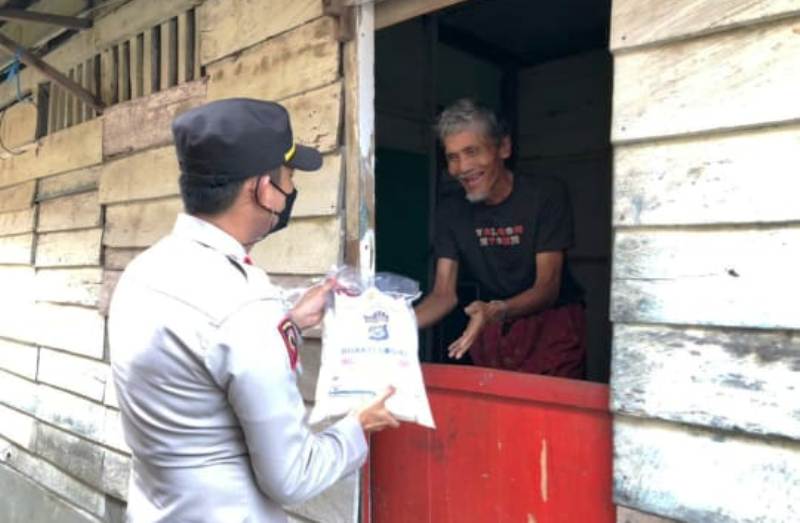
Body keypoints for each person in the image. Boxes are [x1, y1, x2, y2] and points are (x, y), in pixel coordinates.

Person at [109, 98, 398, 522]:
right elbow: (292, 478)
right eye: (289, 177)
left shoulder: (144, 272)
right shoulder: (244, 306)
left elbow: (201, 360)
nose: (291, 190)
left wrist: (291, 321)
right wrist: (357, 427)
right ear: (263, 189)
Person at [415, 98, 586, 378]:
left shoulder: (545, 195)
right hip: (492, 325)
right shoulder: (451, 210)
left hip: (551, 326)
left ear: (503, 148)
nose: (462, 167)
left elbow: (547, 287)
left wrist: (497, 311)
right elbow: (443, 294)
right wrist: (394, 329)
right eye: (453, 157)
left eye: (472, 151)